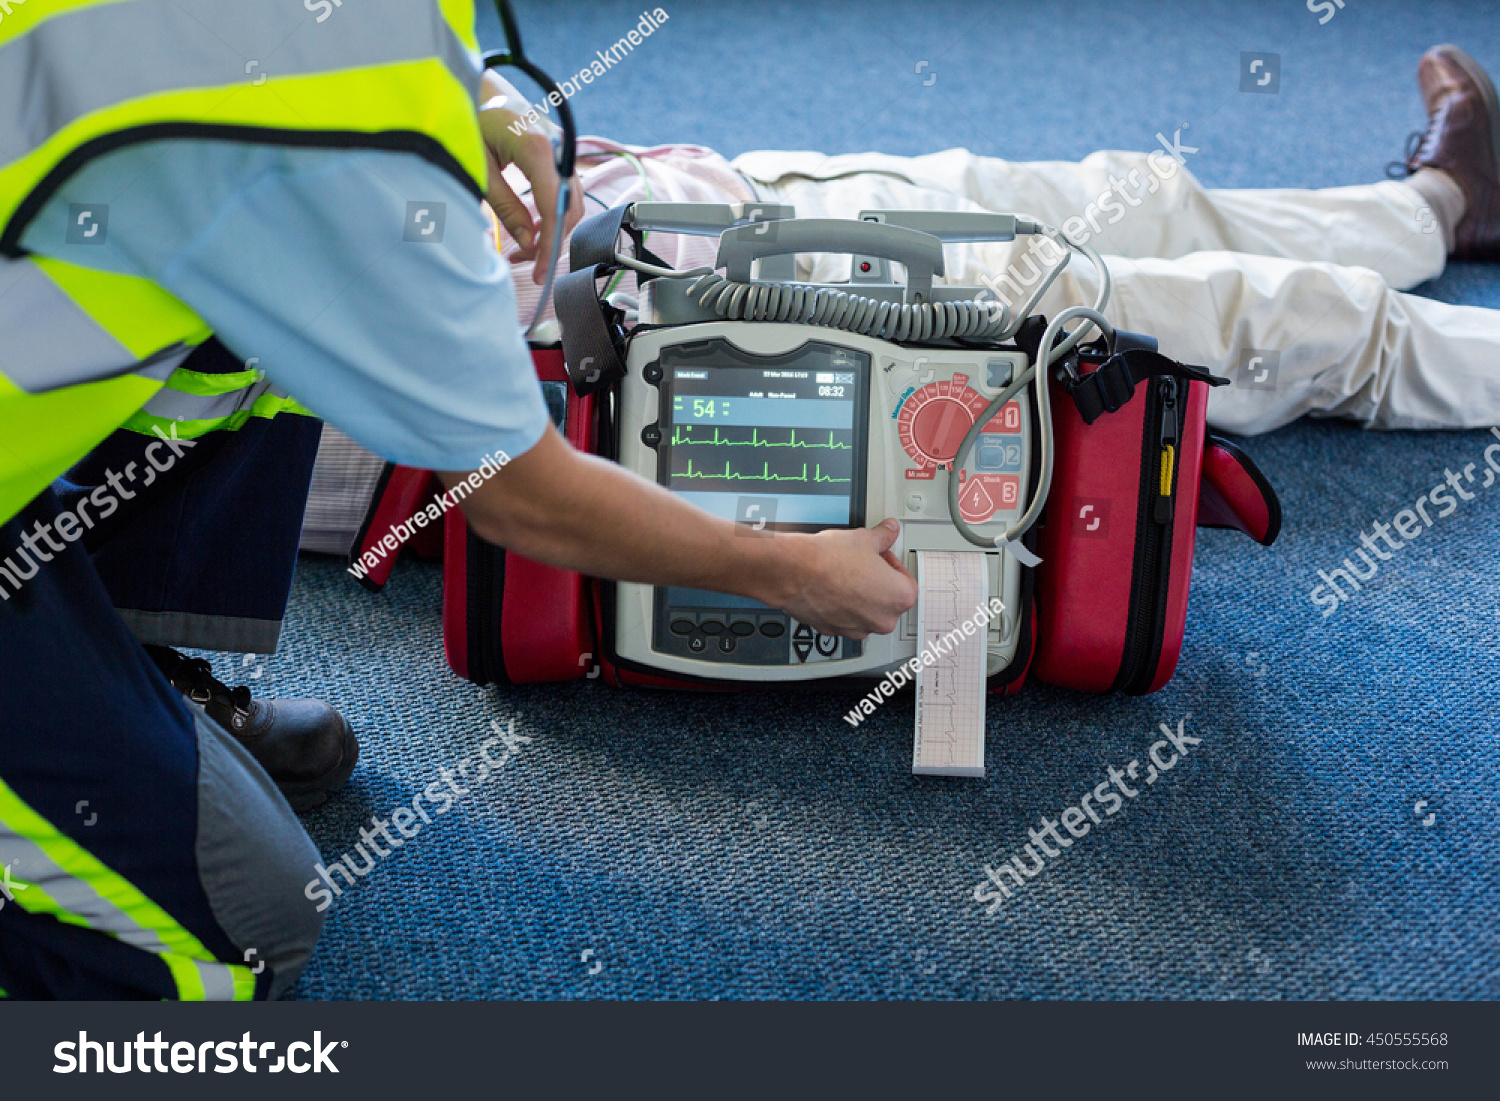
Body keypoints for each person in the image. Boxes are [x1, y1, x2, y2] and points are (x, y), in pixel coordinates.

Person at [0, 2, 913, 1000]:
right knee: (234, 939)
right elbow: (526, 500)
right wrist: (793, 572)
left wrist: (468, 87)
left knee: (272, 303)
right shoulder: (345, 143)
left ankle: (119, 667)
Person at [497, 45, 1500, 438]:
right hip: (760, 314)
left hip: (714, 190)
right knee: (1274, 322)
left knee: (1128, 196)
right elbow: (491, 468)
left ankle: (1442, 206)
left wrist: (483, 112)